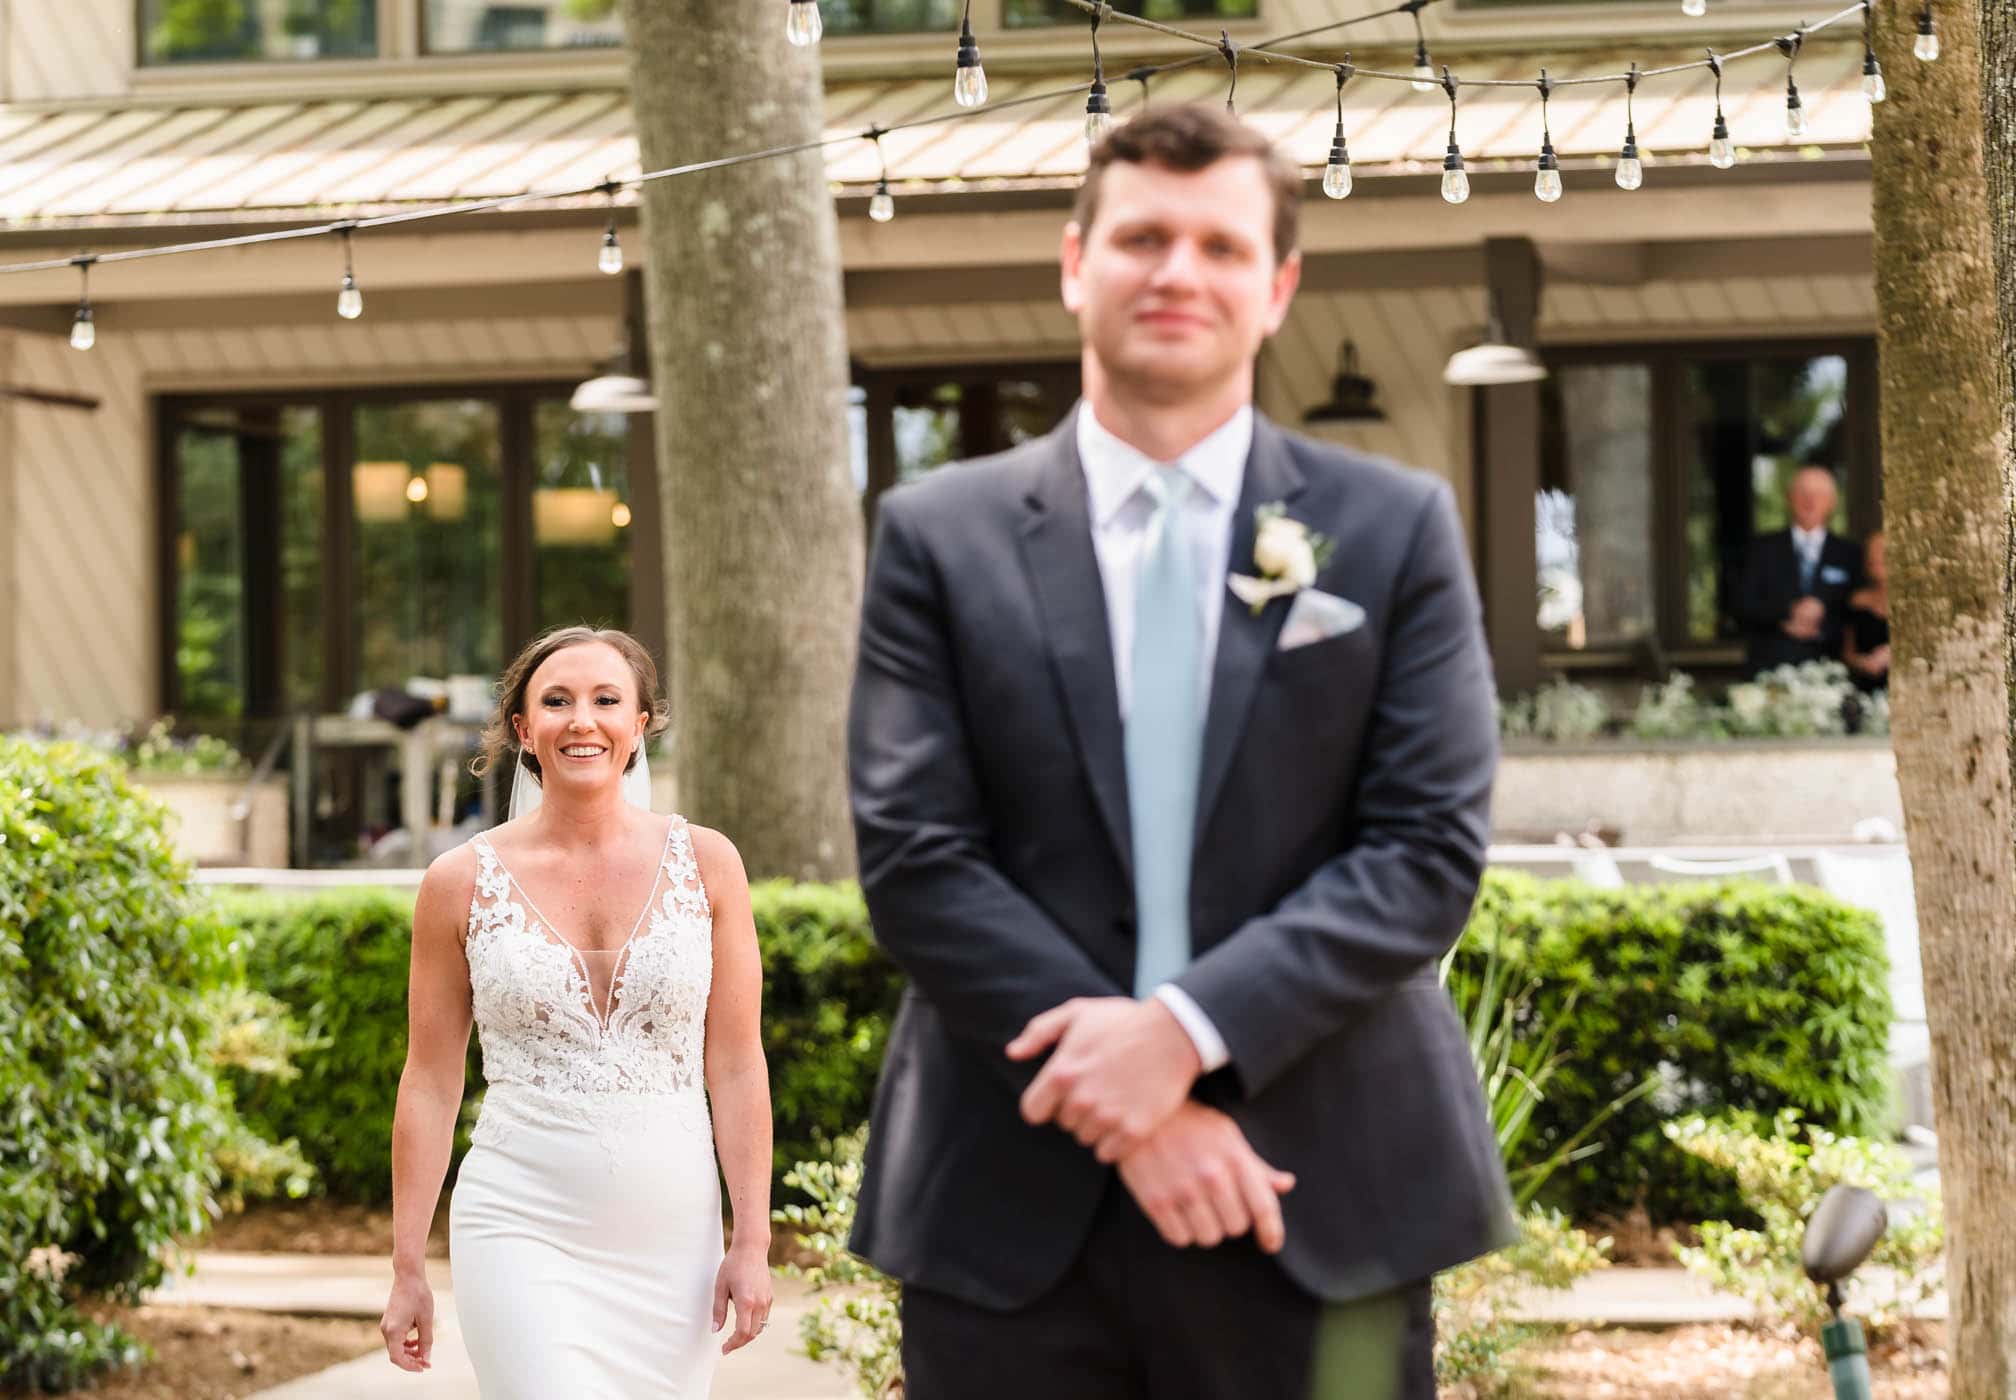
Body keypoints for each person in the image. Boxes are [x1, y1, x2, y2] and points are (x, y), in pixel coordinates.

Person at [846, 103, 1509, 1400]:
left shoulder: (1394, 527)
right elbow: (915, 854)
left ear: (1279, 287)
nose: (1177, 272)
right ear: (1073, 263)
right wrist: (1137, 1102)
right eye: (1143, 235)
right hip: (1005, 1212)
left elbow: (1424, 851)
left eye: (1218, 243)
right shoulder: (937, 533)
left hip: (1319, 1194)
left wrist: (1185, 1037)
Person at [382, 626, 773, 1395]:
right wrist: (406, 1269)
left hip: (673, 1241)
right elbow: (429, 1083)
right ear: (525, 731)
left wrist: (752, 1240)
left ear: (641, 724)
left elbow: (734, 1065)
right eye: (555, 702)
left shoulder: (711, 864)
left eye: (606, 700)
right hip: (519, 1223)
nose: (581, 720)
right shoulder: (459, 881)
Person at [1736, 464, 1864, 678]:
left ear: (1832, 502)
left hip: (1833, 671)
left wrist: (1822, 616)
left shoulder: (1850, 554)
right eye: (1802, 493)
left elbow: (1859, 612)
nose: (1810, 501)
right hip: (1770, 670)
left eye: (1819, 495)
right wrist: (1788, 612)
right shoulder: (1761, 548)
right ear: (1789, 498)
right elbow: (1740, 605)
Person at [1842, 530, 1891, 692]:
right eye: (1872, 554)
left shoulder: (1914, 603)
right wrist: (1863, 663)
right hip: (1866, 689)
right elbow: (1847, 653)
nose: (1876, 558)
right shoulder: (1856, 601)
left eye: (1882, 552)